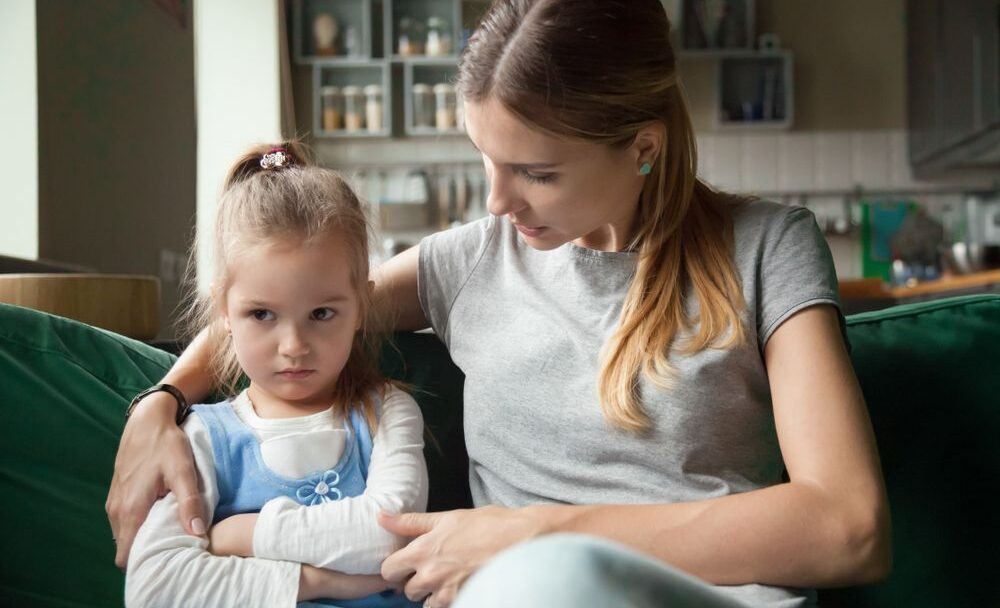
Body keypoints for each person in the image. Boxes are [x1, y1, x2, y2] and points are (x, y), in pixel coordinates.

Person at [108, 2, 891, 607]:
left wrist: (535, 534)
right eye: (486, 160)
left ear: (643, 148)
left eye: (536, 172)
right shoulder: (471, 261)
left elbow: (849, 527)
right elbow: (288, 310)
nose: (497, 200)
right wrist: (160, 404)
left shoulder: (767, 247)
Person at [123, 143, 427, 607]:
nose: (294, 345)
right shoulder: (203, 435)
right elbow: (154, 588)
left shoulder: (386, 412)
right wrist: (315, 582)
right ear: (223, 312)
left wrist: (247, 534)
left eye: (322, 313)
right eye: (262, 314)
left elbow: (391, 534)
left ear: (361, 306)